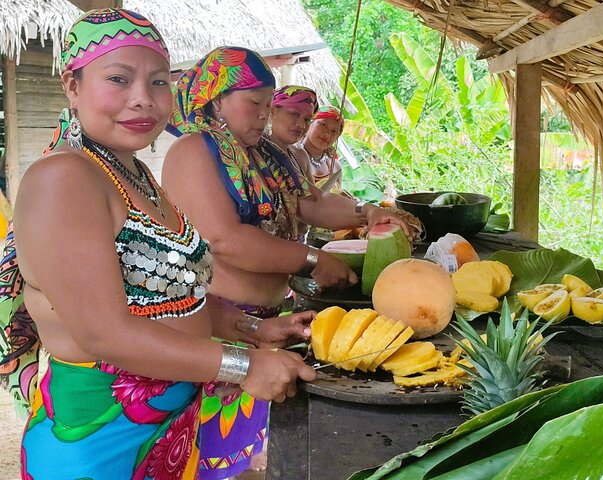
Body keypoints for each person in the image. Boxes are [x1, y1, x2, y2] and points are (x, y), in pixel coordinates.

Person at [3, 11, 314, 479]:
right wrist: (242, 365)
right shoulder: (63, 178)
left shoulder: (133, 174)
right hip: (98, 445)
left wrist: (250, 328)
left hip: (167, 432)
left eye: (158, 83)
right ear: (73, 85)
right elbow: (104, 333)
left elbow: (170, 299)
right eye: (118, 79)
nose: (142, 100)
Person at [163, 48, 410, 478]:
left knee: (246, 449)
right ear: (216, 100)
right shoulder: (193, 153)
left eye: (266, 103)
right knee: (201, 454)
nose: (263, 115)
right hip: (216, 324)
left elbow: (312, 206)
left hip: (266, 325)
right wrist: (312, 259)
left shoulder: (270, 155)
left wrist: (365, 212)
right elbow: (225, 240)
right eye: (252, 103)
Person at [297, 105, 345, 189]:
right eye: (323, 124)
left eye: (334, 131)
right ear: (310, 123)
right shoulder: (292, 154)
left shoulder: (335, 167)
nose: (327, 134)